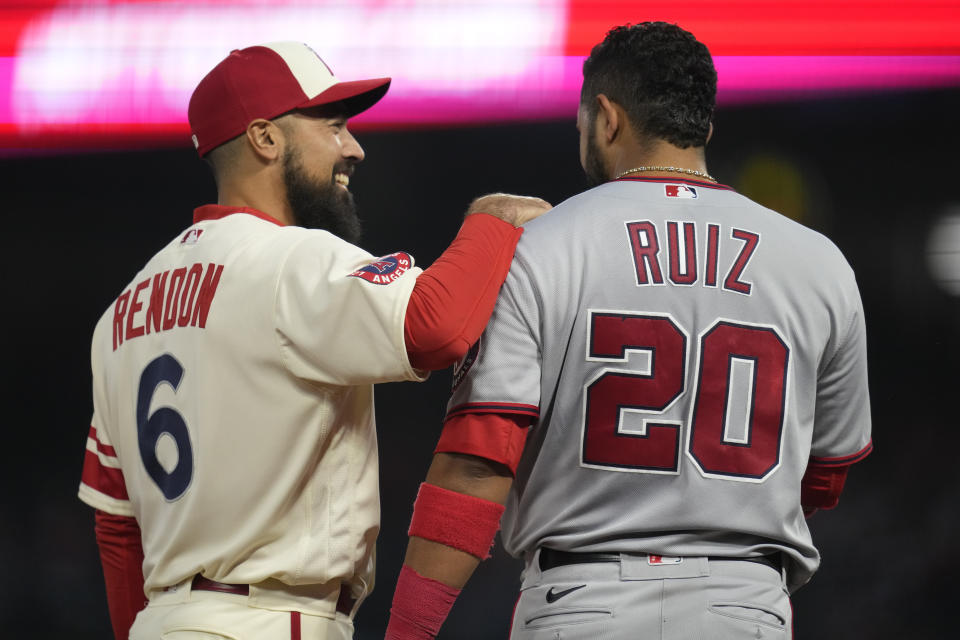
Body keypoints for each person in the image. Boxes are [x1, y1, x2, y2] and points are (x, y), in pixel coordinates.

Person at [384, 22, 873, 640]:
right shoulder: (819, 261)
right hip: (743, 602)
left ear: (607, 118)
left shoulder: (541, 245)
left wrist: (407, 632)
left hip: (585, 601)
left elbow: (477, 468)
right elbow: (826, 474)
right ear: (704, 129)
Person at [77, 41, 550, 640]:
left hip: (167, 620)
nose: (353, 147)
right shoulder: (287, 261)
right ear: (265, 139)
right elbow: (436, 327)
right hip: (271, 619)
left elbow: (117, 528)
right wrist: (491, 218)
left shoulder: (122, 312)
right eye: (332, 125)